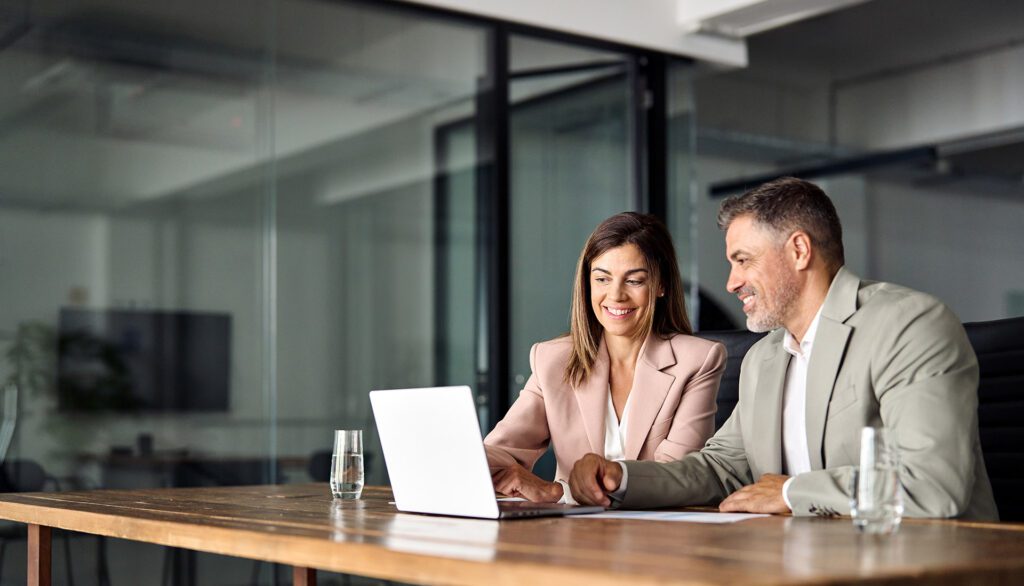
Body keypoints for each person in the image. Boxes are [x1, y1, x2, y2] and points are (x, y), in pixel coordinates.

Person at [569, 178, 998, 521]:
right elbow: (720, 467)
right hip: (802, 560)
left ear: (798, 250)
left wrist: (792, 492)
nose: (732, 282)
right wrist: (620, 477)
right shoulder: (766, 357)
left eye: (743, 260)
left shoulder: (908, 325)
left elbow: (931, 484)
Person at [485, 212, 726, 503]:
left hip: (659, 534)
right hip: (576, 536)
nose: (616, 295)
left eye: (634, 281)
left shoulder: (698, 360)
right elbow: (504, 450)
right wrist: (455, 455)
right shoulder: (553, 359)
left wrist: (559, 492)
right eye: (602, 279)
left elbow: (675, 478)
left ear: (661, 285)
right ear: (587, 285)